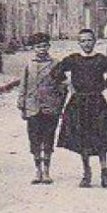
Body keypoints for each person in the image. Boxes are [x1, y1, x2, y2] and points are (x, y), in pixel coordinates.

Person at [56, 27, 107, 189]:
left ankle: (105, 174)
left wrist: (106, 85)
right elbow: (56, 72)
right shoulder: (74, 59)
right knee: (83, 139)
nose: (87, 44)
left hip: (97, 102)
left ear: (94, 41)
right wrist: (69, 84)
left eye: (89, 40)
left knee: (101, 138)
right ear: (79, 43)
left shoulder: (100, 59)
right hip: (78, 103)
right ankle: (86, 173)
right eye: (83, 41)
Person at [17, 32, 66, 184]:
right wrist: (22, 104)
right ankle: (37, 170)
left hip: (49, 108)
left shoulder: (55, 64)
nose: (41, 49)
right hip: (33, 107)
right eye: (38, 47)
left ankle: (46, 171)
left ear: (49, 47)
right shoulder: (29, 65)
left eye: (44, 46)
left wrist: (58, 104)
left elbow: (63, 87)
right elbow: (23, 86)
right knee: (34, 139)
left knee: (48, 138)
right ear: (34, 48)